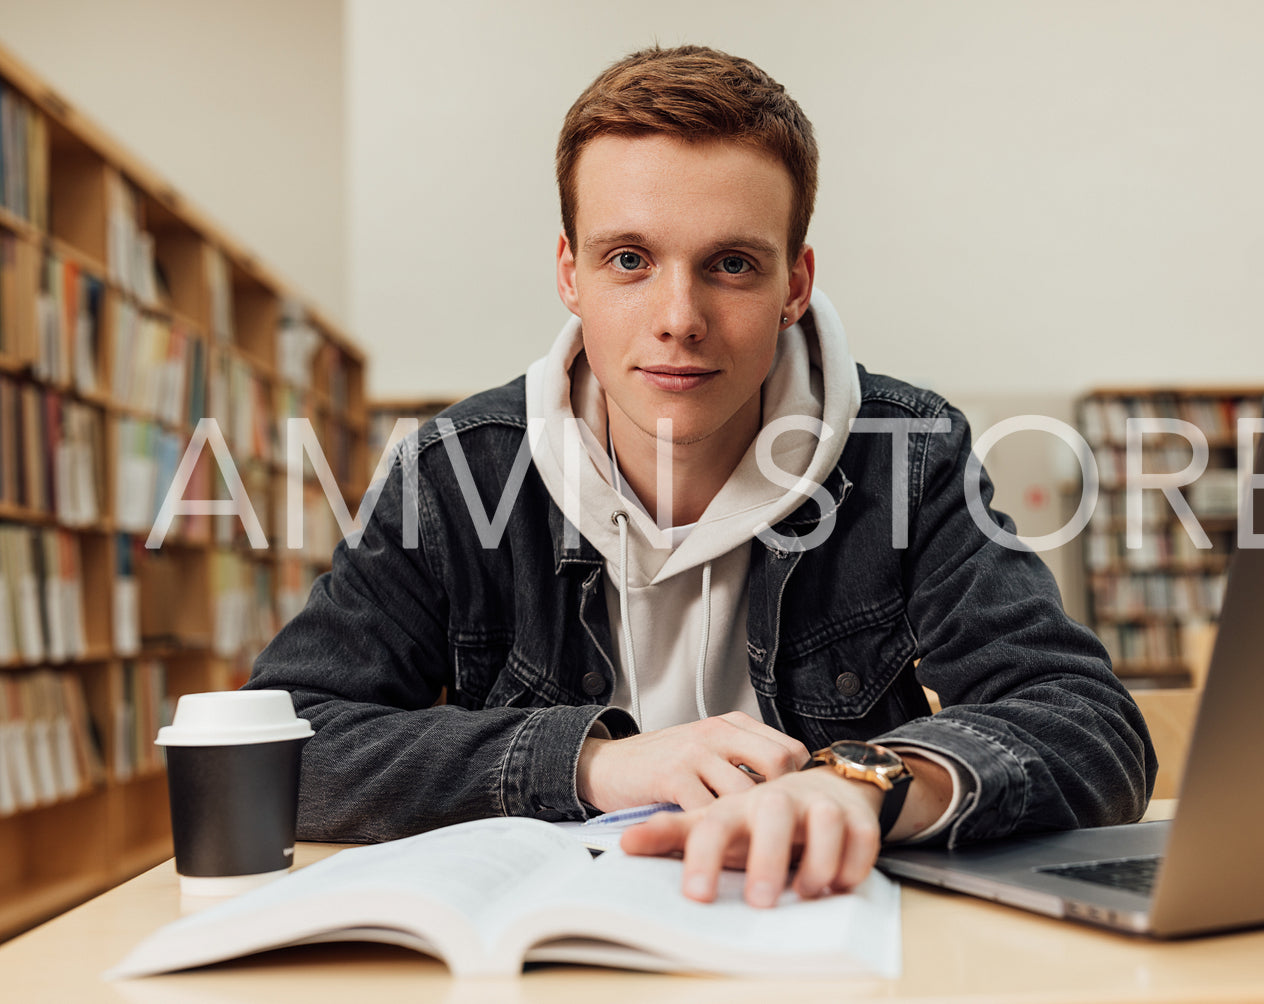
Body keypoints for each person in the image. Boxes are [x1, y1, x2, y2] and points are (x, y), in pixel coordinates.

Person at [247, 44, 1155, 908]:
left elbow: (1089, 726)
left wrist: (862, 786)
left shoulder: (909, 454)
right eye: (629, 260)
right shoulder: (454, 472)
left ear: (794, 283)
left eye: (731, 265)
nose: (679, 318)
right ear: (570, 273)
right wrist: (591, 764)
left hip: (826, 932)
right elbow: (274, 746)